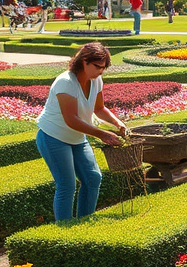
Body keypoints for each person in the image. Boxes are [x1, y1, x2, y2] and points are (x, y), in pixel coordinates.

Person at [35, 43, 127, 221]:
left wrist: (118, 124)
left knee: (93, 178)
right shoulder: (66, 82)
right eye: (97, 66)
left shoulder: (96, 80)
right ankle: (65, 230)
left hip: (77, 137)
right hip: (53, 136)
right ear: (84, 61)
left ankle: (84, 223)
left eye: (103, 68)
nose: (100, 71)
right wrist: (103, 134)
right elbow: (71, 119)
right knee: (67, 185)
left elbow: (99, 109)